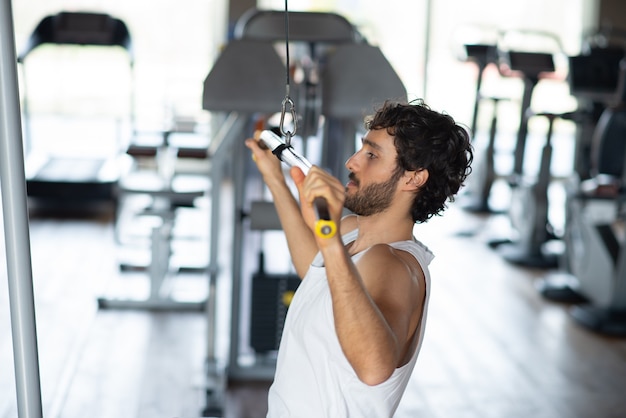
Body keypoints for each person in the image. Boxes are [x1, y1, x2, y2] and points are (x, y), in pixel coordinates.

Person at [245, 99, 473, 417]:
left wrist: (327, 234)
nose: (352, 162)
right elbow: (313, 269)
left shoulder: (392, 263)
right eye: (360, 150)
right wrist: (275, 178)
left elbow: (374, 367)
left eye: (371, 155)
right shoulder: (353, 231)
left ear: (413, 178)